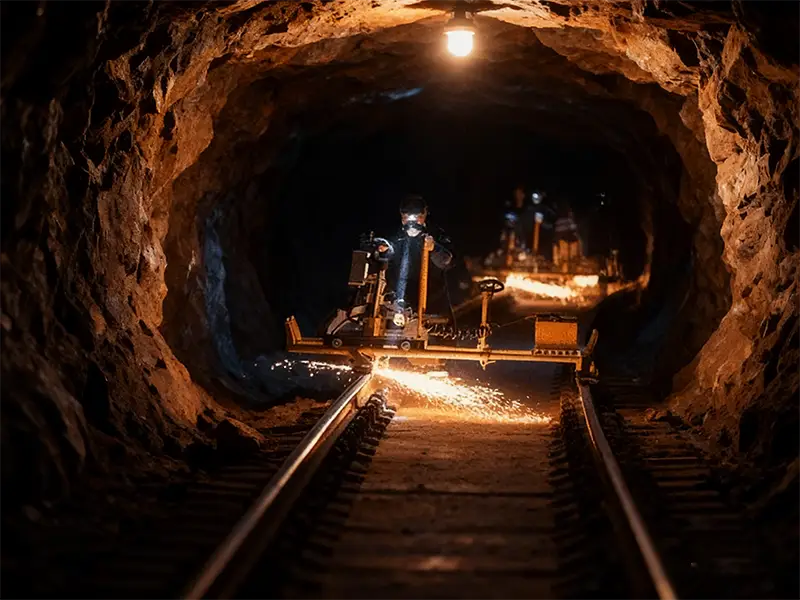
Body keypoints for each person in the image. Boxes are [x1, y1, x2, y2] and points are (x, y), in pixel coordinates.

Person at [385, 194, 454, 318]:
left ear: (424, 216)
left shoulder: (436, 234)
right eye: (407, 218)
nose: (412, 223)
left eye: (417, 218)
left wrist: (433, 248)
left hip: (431, 302)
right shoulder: (396, 236)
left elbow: (446, 261)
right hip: (400, 305)